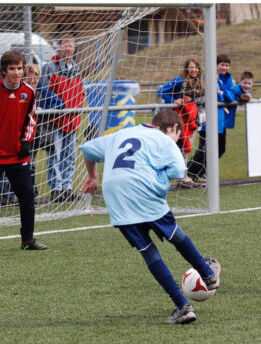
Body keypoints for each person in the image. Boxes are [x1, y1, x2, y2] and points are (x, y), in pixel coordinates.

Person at [79, 109, 221, 324]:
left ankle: (183, 307)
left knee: (148, 252)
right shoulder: (164, 141)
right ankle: (207, 274)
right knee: (175, 234)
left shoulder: (121, 134)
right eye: (178, 136)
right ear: (173, 128)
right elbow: (178, 171)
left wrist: (93, 176)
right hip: (144, 191)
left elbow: (88, 150)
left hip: (116, 197)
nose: (177, 140)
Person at [0, 50, 49, 253]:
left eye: (20, 68)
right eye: (12, 68)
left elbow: (31, 119)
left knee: (27, 198)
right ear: (4, 70)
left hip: (17, 155)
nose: (16, 72)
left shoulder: (29, 92)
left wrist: (27, 143)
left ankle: (27, 240)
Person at [40, 33, 85, 202]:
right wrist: (56, 107)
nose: (68, 49)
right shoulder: (49, 67)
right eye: (65, 46)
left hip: (72, 120)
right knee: (55, 155)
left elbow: (80, 92)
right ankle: (56, 189)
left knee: (70, 156)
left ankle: (67, 187)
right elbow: (42, 92)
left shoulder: (76, 68)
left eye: (71, 46)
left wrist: (77, 109)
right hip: (56, 120)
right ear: (58, 47)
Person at [186, 54, 235, 183]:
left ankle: (198, 173)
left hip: (220, 120)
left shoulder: (228, 78)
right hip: (206, 118)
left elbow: (230, 95)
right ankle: (189, 173)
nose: (224, 67)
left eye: (227, 65)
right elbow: (216, 96)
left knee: (220, 148)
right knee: (205, 148)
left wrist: (223, 94)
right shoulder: (207, 77)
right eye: (222, 65)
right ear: (216, 65)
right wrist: (222, 94)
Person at [158, 58, 205, 186]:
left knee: (186, 149)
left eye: (196, 67)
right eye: (191, 67)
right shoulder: (180, 80)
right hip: (179, 119)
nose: (193, 70)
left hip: (192, 119)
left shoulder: (200, 83)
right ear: (186, 69)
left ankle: (183, 176)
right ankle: (177, 176)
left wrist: (193, 102)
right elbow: (161, 91)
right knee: (178, 148)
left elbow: (204, 98)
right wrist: (174, 100)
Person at [23, 64, 65, 202]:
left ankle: (57, 189)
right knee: (27, 165)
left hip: (42, 133)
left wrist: (44, 108)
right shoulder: (21, 91)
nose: (33, 81)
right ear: (24, 78)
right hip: (25, 134)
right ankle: (30, 194)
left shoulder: (43, 90)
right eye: (30, 78)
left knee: (54, 159)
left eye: (35, 78)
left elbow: (60, 104)